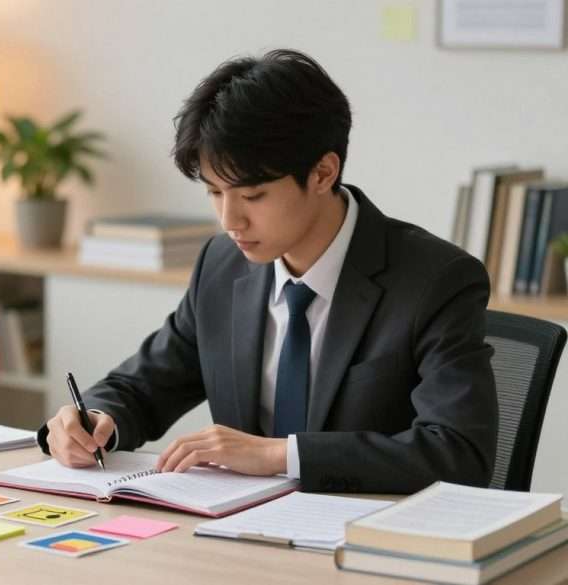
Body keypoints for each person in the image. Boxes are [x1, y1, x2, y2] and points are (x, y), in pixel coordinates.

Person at [37, 49, 497, 494]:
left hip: (367, 534)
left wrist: (283, 455)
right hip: (238, 530)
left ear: (323, 173)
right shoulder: (221, 265)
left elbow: (459, 453)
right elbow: (144, 385)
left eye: (252, 196)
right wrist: (94, 420)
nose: (229, 220)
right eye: (215, 192)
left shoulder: (435, 280)